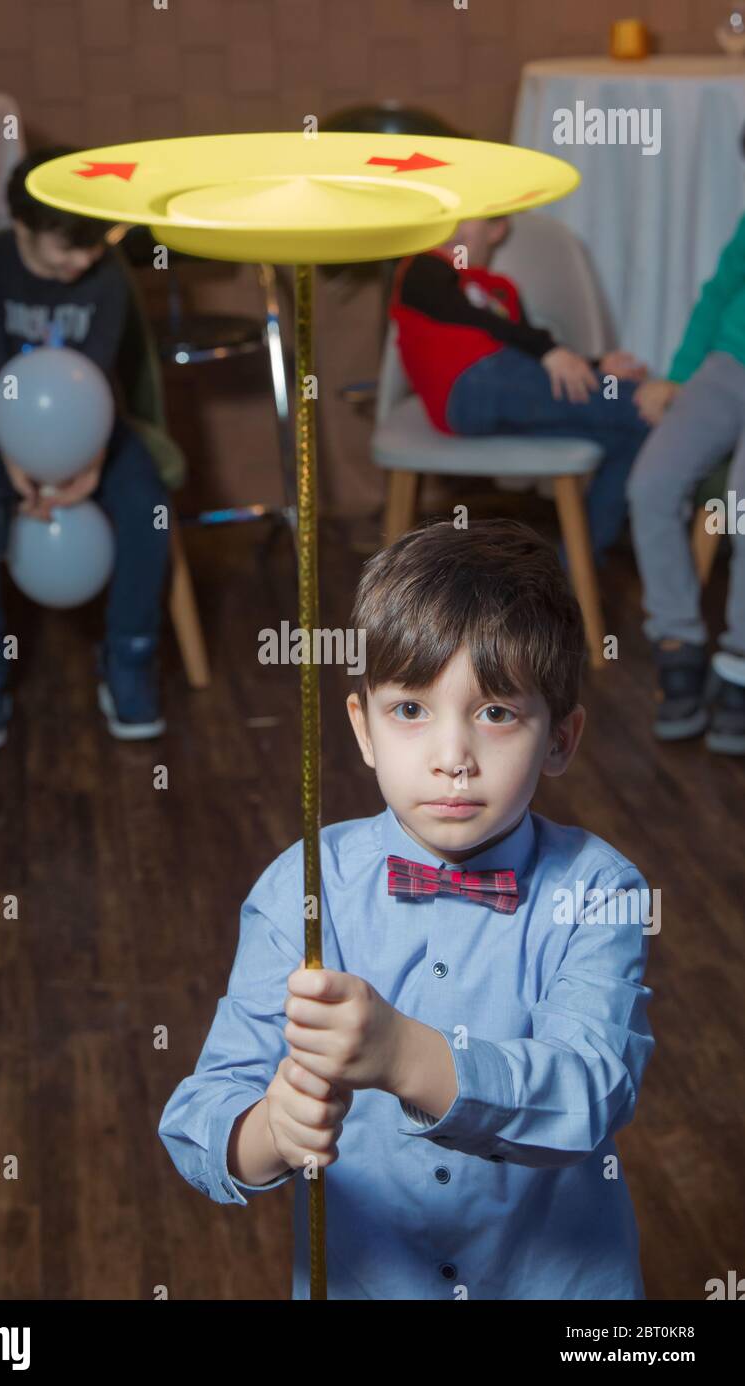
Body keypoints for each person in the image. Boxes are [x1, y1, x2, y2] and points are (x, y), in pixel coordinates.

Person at [158, 519, 655, 1300]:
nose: (452, 757)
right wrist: (271, 1134)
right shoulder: (303, 887)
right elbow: (201, 1117)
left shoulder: (599, 889)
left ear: (561, 738)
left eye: (495, 712)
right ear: (361, 728)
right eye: (411, 710)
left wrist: (404, 1058)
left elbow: (592, 1090)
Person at [0, 146, 173, 751]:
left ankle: (128, 658)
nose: (82, 260)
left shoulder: (106, 274)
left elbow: (98, 377)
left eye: (92, 246)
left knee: (148, 505)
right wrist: (23, 465)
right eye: (65, 248)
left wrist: (86, 467)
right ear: (23, 225)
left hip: (96, 429)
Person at [389, 216, 651, 566]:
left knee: (627, 430)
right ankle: (667, 405)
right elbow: (462, 313)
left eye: (467, 216)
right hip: (470, 382)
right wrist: (549, 350)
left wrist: (595, 364)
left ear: (497, 228)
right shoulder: (422, 267)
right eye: (444, 216)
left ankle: (576, 566)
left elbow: (533, 359)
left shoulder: (501, 289)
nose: (452, 228)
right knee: (637, 402)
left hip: (504, 385)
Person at [625, 210, 745, 754]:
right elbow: (719, 295)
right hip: (727, 363)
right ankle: (678, 643)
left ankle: (740, 659)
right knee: (651, 483)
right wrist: (676, 375)